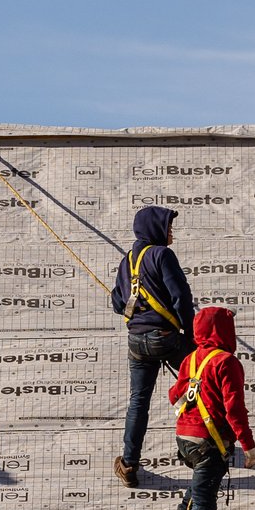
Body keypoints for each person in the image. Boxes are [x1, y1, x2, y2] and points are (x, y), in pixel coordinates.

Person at [167, 305, 255, 510]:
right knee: (205, 501)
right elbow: (234, 410)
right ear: (225, 330)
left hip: (185, 437)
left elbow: (175, 396)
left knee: (201, 481)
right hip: (210, 441)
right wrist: (248, 445)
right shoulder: (227, 362)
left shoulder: (191, 359)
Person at [111, 205, 195, 487]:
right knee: (200, 385)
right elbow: (181, 297)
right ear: (154, 228)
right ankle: (200, 448)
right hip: (166, 337)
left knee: (139, 401)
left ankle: (129, 463)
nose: (171, 231)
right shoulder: (162, 255)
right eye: (168, 226)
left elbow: (117, 303)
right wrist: (192, 337)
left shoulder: (127, 261)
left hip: (137, 341)